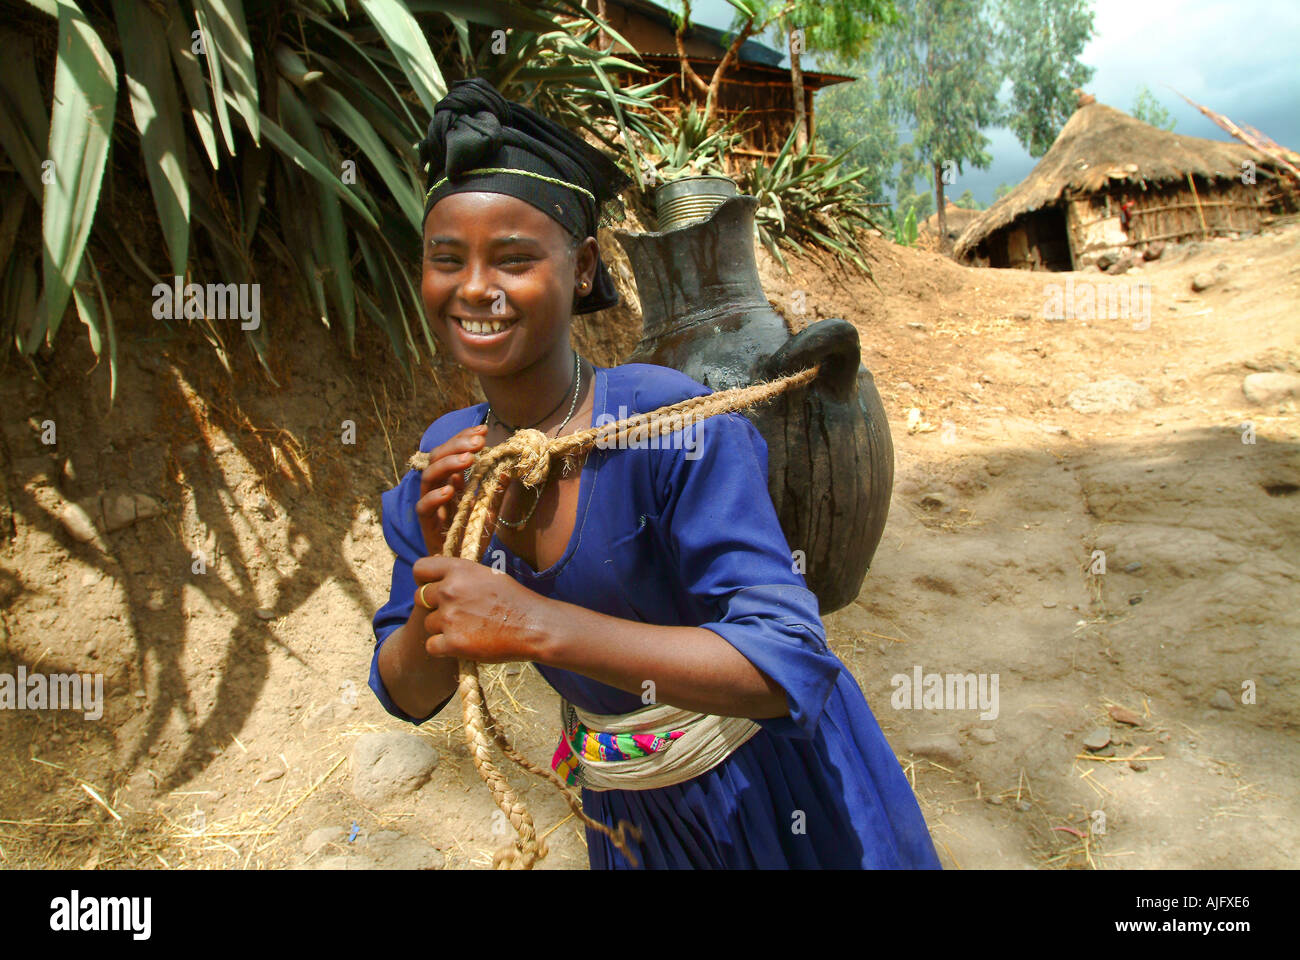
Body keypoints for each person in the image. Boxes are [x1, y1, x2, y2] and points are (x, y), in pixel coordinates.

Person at [370, 76, 940, 869]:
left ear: (582, 269)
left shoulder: (669, 425)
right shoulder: (447, 461)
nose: (474, 288)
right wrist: (439, 579)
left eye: (514, 258)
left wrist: (535, 624)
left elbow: (786, 662)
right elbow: (407, 691)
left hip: (776, 792)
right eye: (446, 259)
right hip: (633, 822)